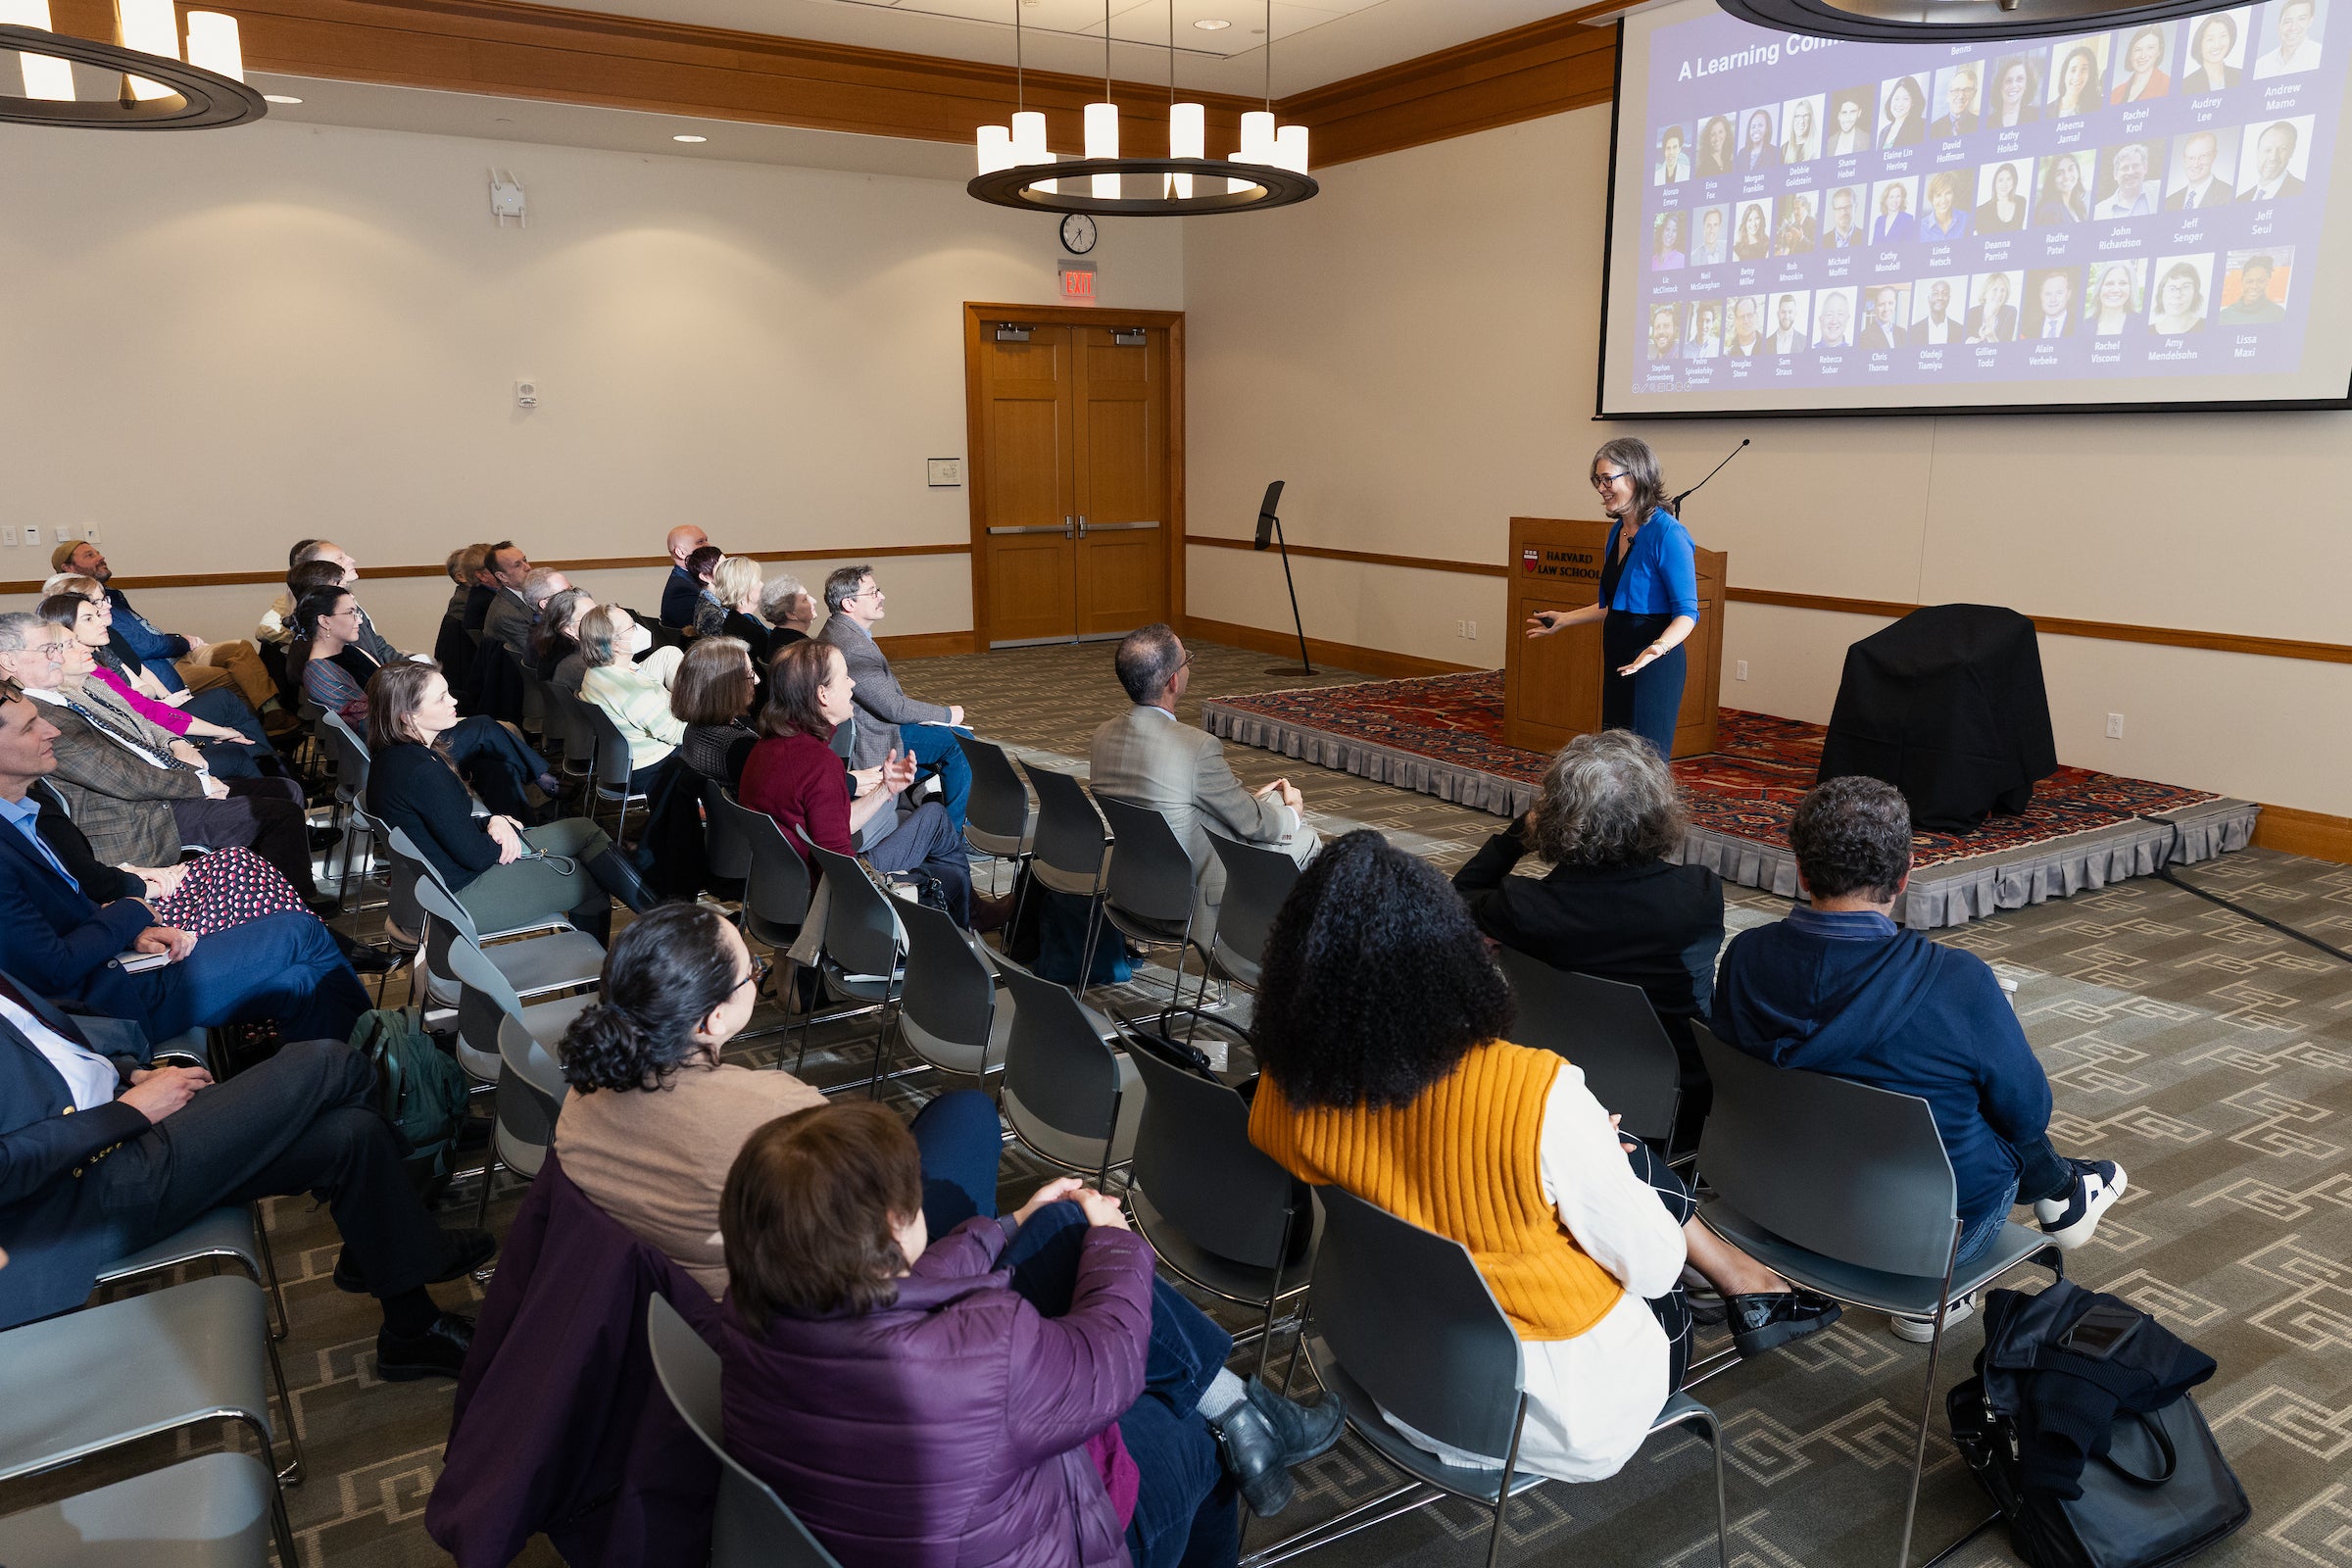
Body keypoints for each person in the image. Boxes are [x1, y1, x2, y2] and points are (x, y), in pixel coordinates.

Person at [1249, 833, 1839, 1483]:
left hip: (1377, 1351)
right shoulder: (1530, 1089)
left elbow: (1394, 1151)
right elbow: (1653, 1265)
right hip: (1540, 1412)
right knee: (1640, 1192)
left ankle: (1721, 1267)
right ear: (1450, 956)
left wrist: (1566, 1147)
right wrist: (1581, 1149)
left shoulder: (1285, 1083)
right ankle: (1736, 1280)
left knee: (1611, 1159)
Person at [717, 1100, 1345, 1565]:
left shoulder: (749, 1320)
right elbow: (1112, 1363)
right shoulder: (979, 1354)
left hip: (887, 1536)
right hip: (1062, 1543)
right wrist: (1114, 1245)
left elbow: (913, 1285)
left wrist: (1014, 1220)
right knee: (1195, 1430)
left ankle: (1240, 1410)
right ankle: (1237, 1413)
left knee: (1052, 1234)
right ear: (891, 1229)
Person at [1711, 778, 2127, 1339]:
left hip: (1773, 1205)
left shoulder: (1744, 957)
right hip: (1929, 1240)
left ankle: (2060, 1193)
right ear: (1906, 874)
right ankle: (2007, 1237)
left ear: (1801, 871)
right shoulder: (1959, 984)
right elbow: (2029, 1117)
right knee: (1982, 1098)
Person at [0, 955, 493, 1367]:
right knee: (333, 1062)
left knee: (352, 1134)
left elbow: (56, 1036)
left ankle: (412, 1330)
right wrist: (127, 1113)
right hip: (85, 1192)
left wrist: (130, 1073)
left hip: (117, 1128)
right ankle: (405, 1243)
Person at [0, 683, 370, 1046]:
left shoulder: (29, 809)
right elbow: (54, 969)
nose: (52, 729)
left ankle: (346, 1078)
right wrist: (130, 913)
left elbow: (67, 908)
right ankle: (385, 1057)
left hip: (118, 961)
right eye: (30, 726)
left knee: (304, 981)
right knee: (301, 931)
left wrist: (129, 929)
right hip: (105, 1002)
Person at [1451, 731, 1723, 1139]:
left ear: (1557, 818)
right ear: (1657, 815)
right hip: (1677, 1104)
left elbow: (1453, 899)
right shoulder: (1699, 895)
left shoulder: (1522, 906)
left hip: (1553, 1084)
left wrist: (1516, 836)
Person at [550, 903, 822, 1298]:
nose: (755, 978)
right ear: (714, 1018)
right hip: (734, 1321)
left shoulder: (584, 1090)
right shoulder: (780, 1113)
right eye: (752, 973)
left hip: (623, 1306)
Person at [14, 613, 326, 902]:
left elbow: (143, 725)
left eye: (59, 648)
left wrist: (177, 742)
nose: (59, 656)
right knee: (278, 813)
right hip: (140, 818)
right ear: (10, 662)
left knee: (284, 791)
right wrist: (198, 784)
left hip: (157, 790)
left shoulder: (81, 689)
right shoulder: (42, 716)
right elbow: (124, 778)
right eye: (49, 650)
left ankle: (267, 893)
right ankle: (297, 907)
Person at [364, 662, 652, 944]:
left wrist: (493, 820)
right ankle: (638, 948)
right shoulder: (421, 771)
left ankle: (663, 918)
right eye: (441, 698)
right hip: (454, 898)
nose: (453, 701)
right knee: (589, 880)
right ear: (407, 716)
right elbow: (475, 856)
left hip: (434, 885)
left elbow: (438, 823)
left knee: (584, 829)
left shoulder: (396, 756)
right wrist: (503, 832)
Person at [1090, 625, 1318, 938]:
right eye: (1187, 662)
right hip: (1192, 907)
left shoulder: (1102, 736)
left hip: (1131, 893)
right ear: (1173, 681)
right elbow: (1252, 825)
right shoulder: (1195, 747)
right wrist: (1291, 812)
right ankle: (1268, 950)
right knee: (1306, 840)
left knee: (1266, 808)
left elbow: (1171, 806)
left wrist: (1250, 803)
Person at [739, 640, 986, 930]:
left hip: (779, 892)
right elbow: (842, 868)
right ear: (823, 694)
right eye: (845, 677)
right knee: (942, 841)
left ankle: (963, 922)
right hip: (826, 898)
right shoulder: (818, 763)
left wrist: (884, 790)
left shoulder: (765, 747)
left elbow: (826, 826)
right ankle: (964, 931)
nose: (852, 683)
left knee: (925, 821)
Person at [294, 587, 557, 817]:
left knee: (495, 766)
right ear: (324, 621)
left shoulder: (350, 651)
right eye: (350, 613)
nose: (358, 620)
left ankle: (523, 830)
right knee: (486, 727)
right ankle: (544, 781)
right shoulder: (319, 671)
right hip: (398, 749)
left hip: (409, 730)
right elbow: (370, 722)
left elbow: (391, 696)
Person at [1524, 440, 1698, 760]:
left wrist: (1657, 648)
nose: (1601, 488)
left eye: (1607, 479)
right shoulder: (1617, 531)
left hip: (1653, 660)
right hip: (1618, 655)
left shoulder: (1668, 534)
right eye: (1597, 480)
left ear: (1637, 477)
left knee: (1645, 763)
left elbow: (1687, 613)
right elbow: (1616, 605)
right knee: (1615, 758)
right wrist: (1565, 619)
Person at [20, 602, 262, 780]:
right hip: (148, 760)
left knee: (226, 714)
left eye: (101, 605)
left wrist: (170, 720)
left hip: (155, 736)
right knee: (228, 728)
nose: (104, 616)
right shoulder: (79, 681)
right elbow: (141, 715)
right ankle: (272, 776)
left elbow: (141, 701)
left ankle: (272, 776)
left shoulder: (97, 662)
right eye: (90, 616)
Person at [815, 564, 974, 834]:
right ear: (849, 603)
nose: (882, 596)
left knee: (938, 733)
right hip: (875, 733)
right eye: (873, 592)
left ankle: (921, 795)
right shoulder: (852, 646)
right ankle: (955, 833)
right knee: (960, 742)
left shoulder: (841, 630)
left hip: (876, 722)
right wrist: (947, 715)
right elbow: (894, 708)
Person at [50, 541, 276, 719]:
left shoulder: (112, 596)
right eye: (89, 555)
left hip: (175, 652)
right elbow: (144, 648)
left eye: (97, 552)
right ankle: (264, 740)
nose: (100, 557)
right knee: (229, 680)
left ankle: (275, 715)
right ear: (68, 568)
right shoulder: (92, 613)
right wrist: (183, 641)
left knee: (240, 648)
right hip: (166, 661)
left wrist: (181, 642)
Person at [579, 605, 687, 786]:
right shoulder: (633, 693)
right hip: (654, 765)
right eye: (632, 627)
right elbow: (678, 735)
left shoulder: (596, 672)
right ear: (614, 644)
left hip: (620, 762)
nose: (640, 630)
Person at [672, 636, 760, 788]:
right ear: (727, 688)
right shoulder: (740, 748)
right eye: (750, 674)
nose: (757, 680)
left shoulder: (693, 729)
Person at [478, 542, 539, 662]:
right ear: (502, 576)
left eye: (525, 560)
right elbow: (539, 654)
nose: (528, 567)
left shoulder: (531, 594)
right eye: (517, 565)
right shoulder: (506, 615)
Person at [710, 556, 774, 663]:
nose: (762, 585)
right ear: (743, 589)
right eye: (757, 581)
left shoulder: (735, 619)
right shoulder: (750, 631)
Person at [538, 587, 595, 690]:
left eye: (597, 613)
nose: (600, 620)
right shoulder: (579, 666)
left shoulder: (555, 649)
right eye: (590, 617)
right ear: (569, 629)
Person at [660, 524, 710, 630]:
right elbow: (707, 630)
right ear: (681, 552)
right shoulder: (682, 589)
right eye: (700, 542)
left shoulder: (690, 579)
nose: (708, 546)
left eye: (706, 540)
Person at [2238, 121, 2304, 201]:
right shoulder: (2241, 199)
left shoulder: (2303, 191)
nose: (2273, 157)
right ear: (2257, 152)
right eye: (2268, 150)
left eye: (2282, 149)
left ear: (2291, 152)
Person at [2167, 130, 2233, 209]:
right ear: (2184, 159)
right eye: (2191, 158)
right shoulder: (2169, 201)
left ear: (2214, 156)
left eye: (2203, 156)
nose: (2196, 164)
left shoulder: (2230, 195)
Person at [2253, 0, 2319, 77]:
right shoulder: (2261, 65)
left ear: (2310, 22)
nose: (2293, 27)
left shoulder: (2318, 55)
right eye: (2287, 21)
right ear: (2279, 26)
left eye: (2301, 19)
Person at [2094, 142, 2158, 217]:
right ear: (2115, 175)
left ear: (2145, 168)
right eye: (2125, 168)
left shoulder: (2160, 189)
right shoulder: (2099, 211)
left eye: (2135, 166)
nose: (2130, 172)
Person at [2221, 253, 2288, 322]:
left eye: (2261, 281)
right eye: (2249, 281)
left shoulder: (2279, 314)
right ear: (2242, 282)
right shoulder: (2224, 315)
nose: (2254, 286)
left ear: (2268, 282)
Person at [758, 574, 816, 652]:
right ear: (790, 613)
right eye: (805, 599)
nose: (814, 601)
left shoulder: (776, 637)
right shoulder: (800, 650)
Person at [2111, 26, 2170, 101]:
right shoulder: (2115, 93)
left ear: (2159, 52)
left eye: (2150, 48)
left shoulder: (2167, 85)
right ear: (2130, 54)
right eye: (2138, 49)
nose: (2143, 56)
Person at [2184, 12, 2241, 90]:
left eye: (2223, 36)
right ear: (2199, 44)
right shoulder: (2186, 84)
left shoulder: (2241, 75)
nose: (2217, 45)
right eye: (2210, 39)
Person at [684, 545, 728, 640]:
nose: (729, 571)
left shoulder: (714, 603)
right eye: (722, 567)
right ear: (705, 577)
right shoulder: (710, 614)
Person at [2149, 261, 2207, 333]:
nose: (2177, 295)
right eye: (2172, 288)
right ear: (2161, 294)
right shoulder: (2148, 331)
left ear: (2195, 293)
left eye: (2186, 287)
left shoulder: (2207, 326)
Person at [2034, 153, 2090, 224]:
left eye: (2071, 169)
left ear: (2078, 173)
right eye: (2059, 173)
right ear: (2053, 180)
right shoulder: (2051, 211)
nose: (2066, 176)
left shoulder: (2079, 205)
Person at [2087, 262, 2141, 334]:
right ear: (2099, 288)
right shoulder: (2084, 327)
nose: (2115, 290)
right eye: (2109, 283)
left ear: (2130, 289)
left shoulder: (2141, 323)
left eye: (2122, 283)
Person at [1988, 57, 2040, 127]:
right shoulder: (1989, 122)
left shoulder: (2037, 115)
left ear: (2027, 85)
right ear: (2000, 86)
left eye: (2019, 79)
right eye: (2008, 80)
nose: (2013, 85)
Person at [2051, 45, 2102, 117]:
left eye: (2084, 69)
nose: (2077, 76)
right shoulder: (2047, 110)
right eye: (2073, 70)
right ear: (2064, 74)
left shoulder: (2099, 105)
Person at [1976, 162, 2028, 232]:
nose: (2004, 184)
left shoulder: (2022, 202)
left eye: (2009, 179)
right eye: (2000, 180)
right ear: (1995, 183)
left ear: (2014, 181)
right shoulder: (1980, 211)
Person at [1968, 272, 2019, 342]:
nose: (1999, 294)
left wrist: (1992, 336)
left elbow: (2005, 348)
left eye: (2003, 290)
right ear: (1985, 293)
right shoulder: (1971, 313)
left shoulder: (2010, 312)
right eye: (1995, 289)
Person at [1922, 172, 1972, 241]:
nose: (1943, 200)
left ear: (1954, 195)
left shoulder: (1966, 219)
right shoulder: (1921, 227)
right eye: (1938, 195)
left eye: (1948, 193)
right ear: (1932, 199)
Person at [1930, 66, 1979, 137]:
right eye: (1956, 90)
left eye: (1966, 90)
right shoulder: (1934, 128)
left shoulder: (1981, 124)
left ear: (1973, 94)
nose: (1961, 96)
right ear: (1948, 96)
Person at [1879, 75, 1926, 148]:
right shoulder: (1883, 132)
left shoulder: (1922, 126)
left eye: (1905, 99)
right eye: (1896, 98)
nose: (1899, 104)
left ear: (1913, 102)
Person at [2028, 270, 2076, 339]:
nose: (2053, 299)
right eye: (2048, 294)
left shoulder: (2080, 326)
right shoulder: (2028, 333)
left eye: (2059, 293)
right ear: (2041, 296)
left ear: (2068, 294)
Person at [1857, 286, 1908, 350]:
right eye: (1882, 304)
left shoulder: (1902, 333)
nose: (1886, 309)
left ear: (1895, 304)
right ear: (1875, 307)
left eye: (1890, 303)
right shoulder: (1865, 336)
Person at [1915, 278, 1960, 344]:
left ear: (1949, 298)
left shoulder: (1959, 330)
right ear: (1928, 298)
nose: (1940, 298)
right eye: (1935, 294)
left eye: (1944, 294)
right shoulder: (1914, 330)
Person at [1872, 180, 1918, 245]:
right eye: (1891, 197)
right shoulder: (1879, 220)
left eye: (1898, 196)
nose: (1895, 200)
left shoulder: (1908, 219)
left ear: (1902, 199)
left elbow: (1909, 247)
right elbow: (1874, 246)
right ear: (1885, 200)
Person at [1826, 91, 1869, 156]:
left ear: (1859, 113)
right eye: (1844, 112)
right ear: (1838, 115)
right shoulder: (1829, 142)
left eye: (1852, 112)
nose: (1848, 119)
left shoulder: (1868, 139)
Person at [1739, 108, 1780, 172]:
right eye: (1753, 127)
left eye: (1760, 125)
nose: (1756, 130)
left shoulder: (1774, 152)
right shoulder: (1742, 154)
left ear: (1767, 128)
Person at [1780, 98, 1819, 163]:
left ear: (1811, 119)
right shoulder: (1784, 149)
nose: (1801, 121)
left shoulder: (1816, 147)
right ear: (1793, 119)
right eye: (1798, 116)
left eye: (1805, 115)